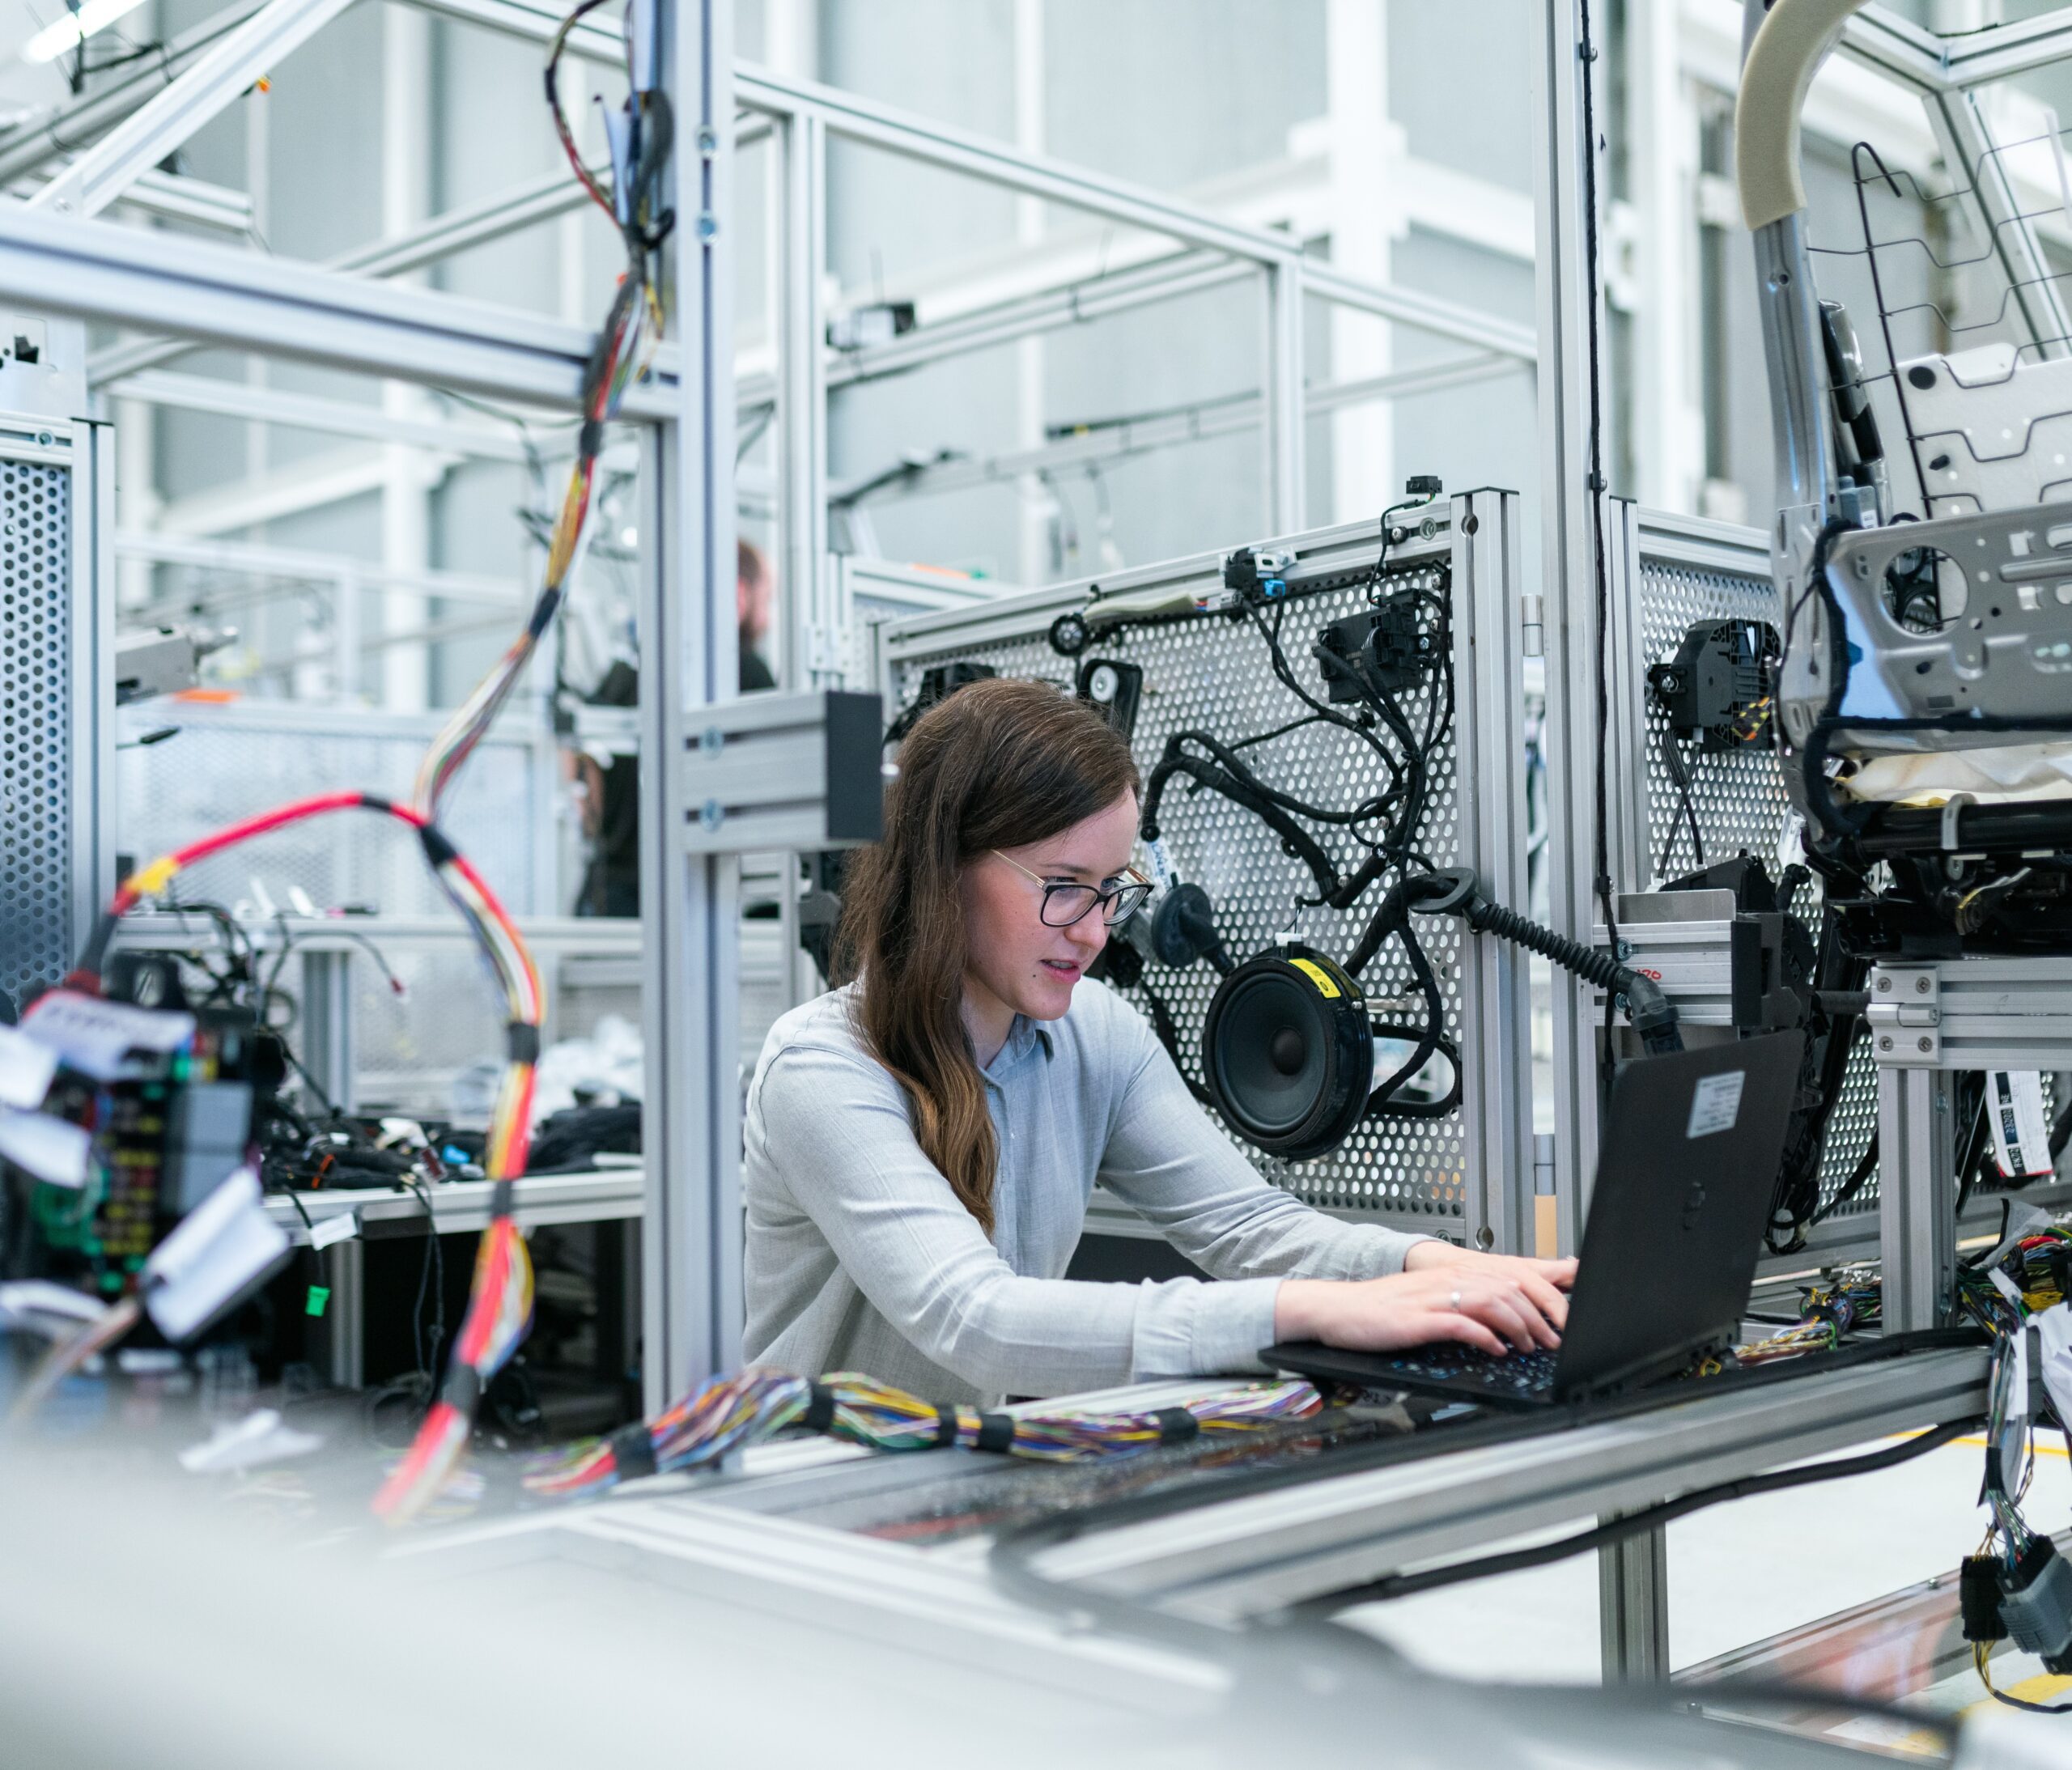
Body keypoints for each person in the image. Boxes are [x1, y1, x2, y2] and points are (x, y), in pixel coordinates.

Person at [742, 677, 1574, 1401]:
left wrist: (1436, 1268)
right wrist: (1310, 1311)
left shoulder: (1094, 1036)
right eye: (1064, 888)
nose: (1096, 933)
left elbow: (1249, 1227)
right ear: (943, 867)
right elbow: (976, 1319)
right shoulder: (823, 1068)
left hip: (957, 1482)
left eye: (1112, 890)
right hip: (812, 1514)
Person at [573, 538, 777, 915]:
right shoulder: (744, 670)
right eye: (768, 600)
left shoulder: (627, 672)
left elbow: (581, 775)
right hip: (694, 895)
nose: (768, 619)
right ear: (738, 594)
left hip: (609, 896)